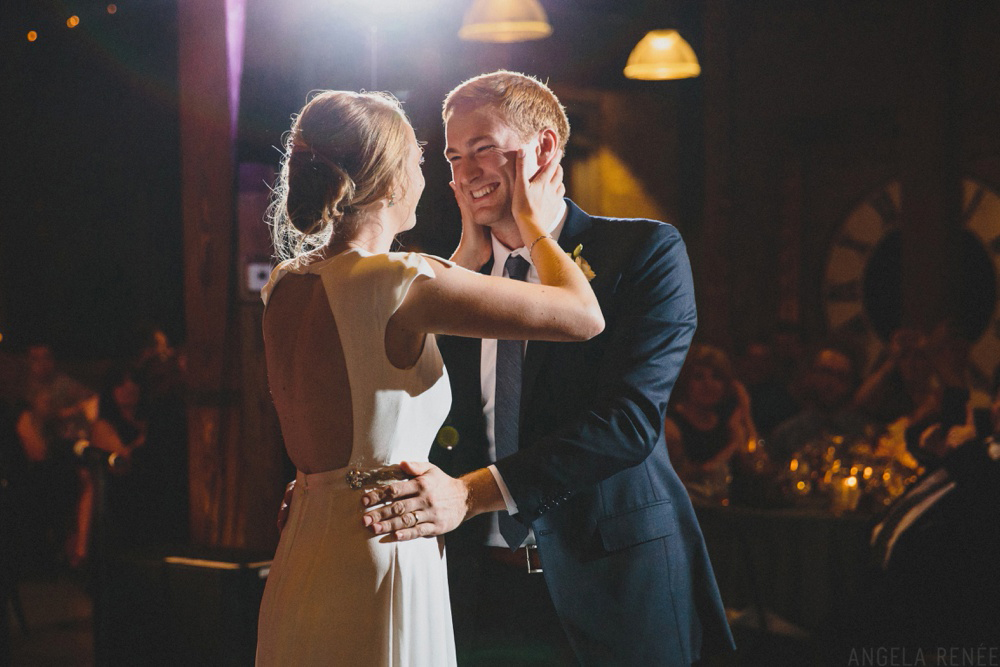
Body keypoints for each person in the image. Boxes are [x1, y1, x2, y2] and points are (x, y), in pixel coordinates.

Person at [359, 71, 734, 665]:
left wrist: (471, 493)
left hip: (612, 577)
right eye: (455, 156)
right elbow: (411, 411)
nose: (463, 173)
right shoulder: (450, 276)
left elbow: (629, 423)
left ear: (543, 149)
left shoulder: (644, 253)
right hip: (477, 588)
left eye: (483, 149)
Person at [255, 89, 603, 666]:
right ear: (390, 180)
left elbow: (379, 343)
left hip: (306, 545)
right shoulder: (403, 282)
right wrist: (532, 223)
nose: (432, 178)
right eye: (421, 162)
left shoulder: (287, 284)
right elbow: (583, 315)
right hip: (385, 540)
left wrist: (467, 247)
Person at [664, 344, 760, 505]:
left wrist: (746, 412)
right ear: (686, 382)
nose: (708, 384)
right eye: (699, 377)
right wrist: (734, 445)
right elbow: (691, 476)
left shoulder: (727, 421)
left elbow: (757, 464)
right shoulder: (671, 425)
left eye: (716, 377)